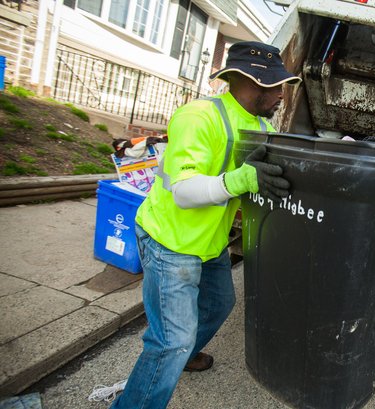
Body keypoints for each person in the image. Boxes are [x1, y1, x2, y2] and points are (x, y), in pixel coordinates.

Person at [110, 41, 301, 409]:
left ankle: (181, 356)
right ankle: (161, 370)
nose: (281, 93)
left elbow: (249, 181)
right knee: (171, 340)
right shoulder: (199, 117)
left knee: (218, 303)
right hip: (171, 241)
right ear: (249, 82)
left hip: (209, 241)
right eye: (276, 85)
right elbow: (183, 191)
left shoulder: (259, 125)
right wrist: (240, 181)